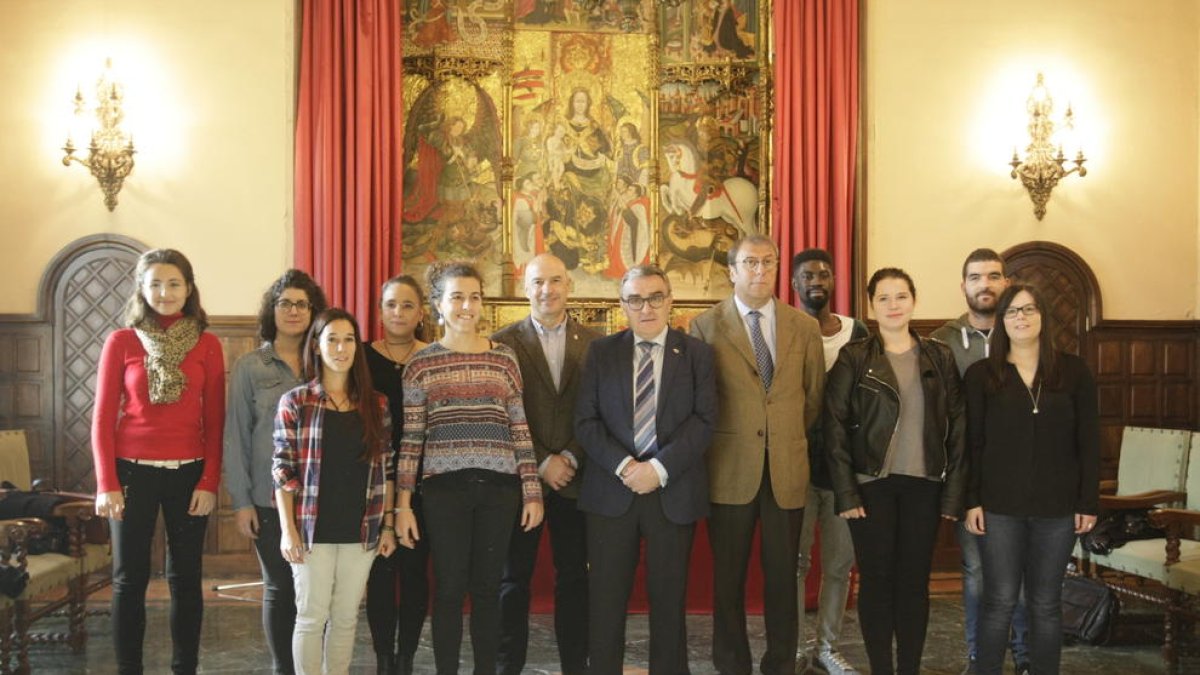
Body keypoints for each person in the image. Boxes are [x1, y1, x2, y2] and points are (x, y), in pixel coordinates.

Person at [395, 261, 544, 675]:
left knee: (487, 589)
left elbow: (520, 428)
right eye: (456, 296)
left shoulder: (505, 359)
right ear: (438, 305)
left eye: (474, 296)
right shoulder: (421, 365)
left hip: (501, 489)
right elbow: (411, 441)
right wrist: (402, 506)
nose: (467, 305)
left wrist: (532, 492)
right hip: (444, 491)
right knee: (448, 590)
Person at [689, 234, 824, 675]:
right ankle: (732, 664)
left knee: (784, 578)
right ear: (732, 270)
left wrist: (781, 439)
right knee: (728, 579)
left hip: (786, 468)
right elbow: (700, 401)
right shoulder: (706, 326)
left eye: (769, 262)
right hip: (730, 470)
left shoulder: (803, 327)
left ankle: (781, 663)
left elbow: (812, 399)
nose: (760, 271)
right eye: (750, 263)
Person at [575, 264, 716, 674]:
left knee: (669, 602)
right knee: (605, 602)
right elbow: (586, 421)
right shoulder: (601, 353)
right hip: (610, 494)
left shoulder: (697, 355)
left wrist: (657, 468)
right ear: (624, 305)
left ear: (670, 300)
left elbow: (705, 421)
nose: (646, 307)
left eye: (655, 297)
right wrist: (625, 467)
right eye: (635, 299)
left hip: (672, 493)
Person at [824, 267, 966, 675]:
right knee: (876, 581)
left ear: (913, 301)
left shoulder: (939, 356)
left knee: (914, 583)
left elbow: (958, 426)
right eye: (883, 298)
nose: (892, 305)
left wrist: (953, 493)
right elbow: (832, 427)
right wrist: (846, 493)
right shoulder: (855, 357)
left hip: (924, 486)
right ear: (871, 306)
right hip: (872, 488)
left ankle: (909, 669)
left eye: (900, 296)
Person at [91, 248, 225, 675]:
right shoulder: (122, 341)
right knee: (129, 580)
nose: (164, 292)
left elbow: (216, 421)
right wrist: (106, 483)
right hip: (130, 473)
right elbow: (101, 419)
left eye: (173, 283)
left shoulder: (207, 344)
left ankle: (185, 667)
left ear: (189, 288)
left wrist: (208, 482)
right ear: (141, 288)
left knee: (185, 581)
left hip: (189, 474)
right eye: (154, 284)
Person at [964, 284, 1099, 675]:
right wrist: (971, 500)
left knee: (1045, 604)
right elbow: (971, 445)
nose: (1020, 317)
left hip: (1057, 509)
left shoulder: (1074, 371)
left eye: (1028, 309)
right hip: (998, 507)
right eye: (1011, 311)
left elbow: (1088, 441)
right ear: (1001, 320)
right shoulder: (981, 375)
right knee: (1000, 601)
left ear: (1043, 317)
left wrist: (1087, 501)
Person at [273, 308, 397, 675]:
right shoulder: (296, 402)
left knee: (345, 618)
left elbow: (386, 469)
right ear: (317, 346)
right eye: (332, 339)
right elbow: (282, 471)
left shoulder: (377, 404)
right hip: (312, 528)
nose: (341, 348)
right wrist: (287, 529)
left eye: (348, 340)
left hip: (362, 528)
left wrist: (387, 525)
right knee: (311, 616)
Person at [494, 254, 599, 675]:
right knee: (512, 582)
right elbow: (499, 411)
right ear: (525, 287)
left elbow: (600, 409)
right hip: (522, 482)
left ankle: (576, 665)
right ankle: (506, 667)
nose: (547, 290)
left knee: (574, 579)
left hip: (577, 480)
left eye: (555, 281)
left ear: (568, 285)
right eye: (538, 281)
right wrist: (540, 462)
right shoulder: (501, 343)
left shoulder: (596, 342)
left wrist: (570, 455)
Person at [929, 248, 1030, 675]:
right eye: (975, 277)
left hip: (1023, 476)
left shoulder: (1026, 333)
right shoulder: (941, 341)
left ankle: (1025, 657)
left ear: (1006, 282)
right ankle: (979, 659)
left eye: (993, 276)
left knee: (1021, 575)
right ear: (964, 285)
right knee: (976, 573)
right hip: (967, 476)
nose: (984, 284)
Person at [224, 269, 327, 675]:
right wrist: (241, 502)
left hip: (320, 499)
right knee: (281, 588)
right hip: (268, 499)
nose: (294, 311)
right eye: (285, 303)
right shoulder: (250, 366)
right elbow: (235, 437)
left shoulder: (326, 360)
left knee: (316, 594)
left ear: (313, 311)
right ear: (273, 310)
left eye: (302, 304)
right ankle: (285, 668)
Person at [790, 249, 866, 675]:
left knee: (839, 564)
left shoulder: (858, 333)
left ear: (834, 279)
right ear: (795, 284)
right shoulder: (785, 329)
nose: (815, 280)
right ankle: (798, 646)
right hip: (797, 468)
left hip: (844, 472)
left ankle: (827, 648)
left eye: (822, 273)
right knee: (796, 564)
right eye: (806, 275)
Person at [364, 276, 431, 675]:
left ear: (421, 312)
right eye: (391, 305)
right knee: (380, 571)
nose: (399, 313)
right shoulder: (361, 357)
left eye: (408, 305)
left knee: (415, 570)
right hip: (376, 479)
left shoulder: (434, 355)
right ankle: (383, 658)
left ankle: (405, 656)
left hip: (426, 481)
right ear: (380, 311)